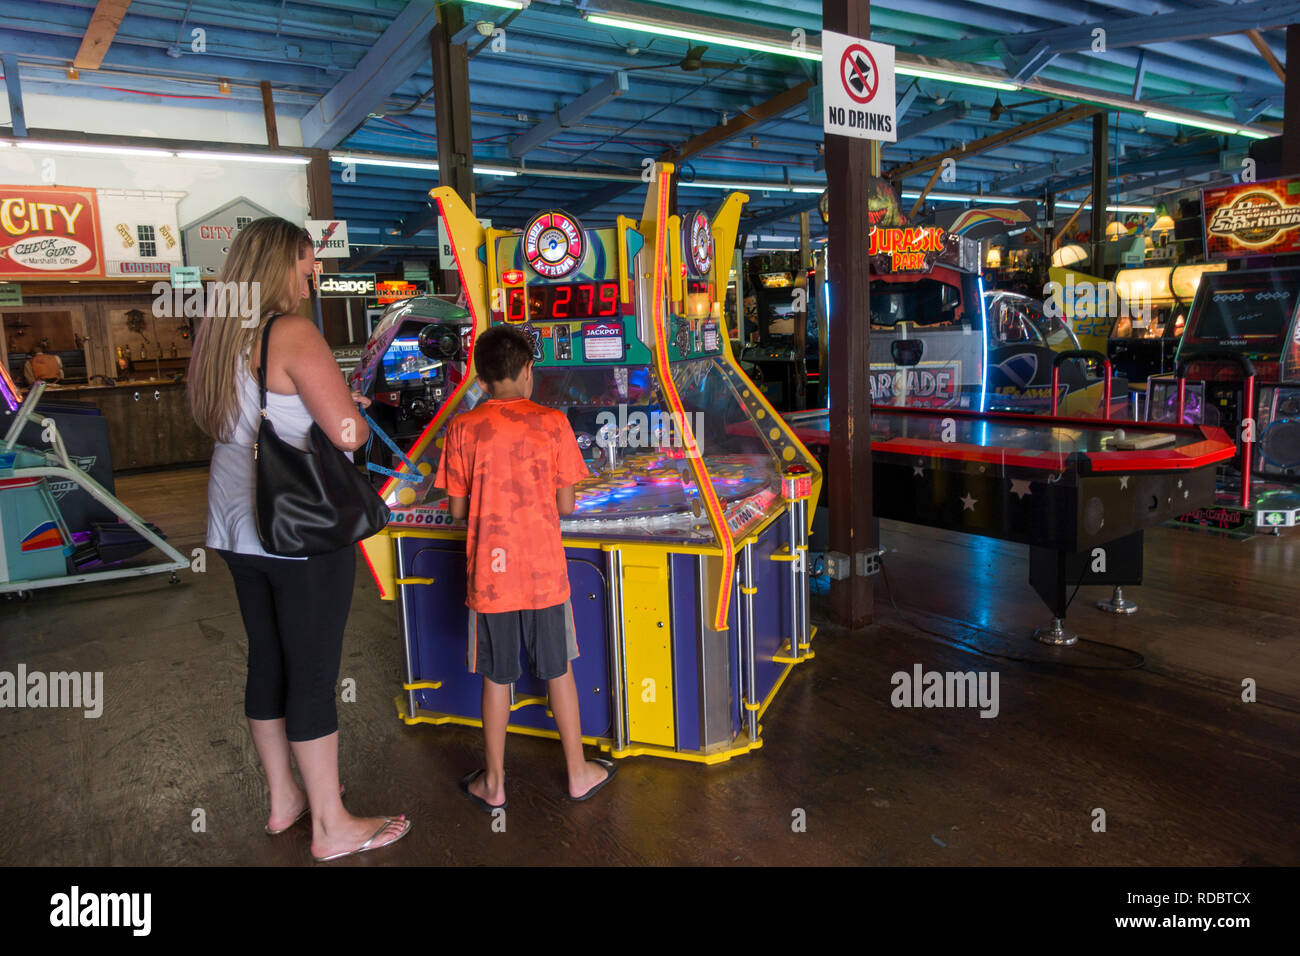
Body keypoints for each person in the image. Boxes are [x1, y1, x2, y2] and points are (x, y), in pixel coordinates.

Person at [187, 217, 410, 862]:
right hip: (298, 528)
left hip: (232, 522)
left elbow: (248, 413)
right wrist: (352, 414)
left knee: (269, 660)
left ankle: (284, 799)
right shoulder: (291, 331)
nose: (314, 274)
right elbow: (346, 434)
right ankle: (332, 825)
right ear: (282, 265)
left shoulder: (218, 331)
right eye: (308, 263)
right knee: (312, 671)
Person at [435, 324, 616, 811]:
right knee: (559, 671)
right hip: (543, 575)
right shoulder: (552, 422)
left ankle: (494, 784)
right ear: (528, 371)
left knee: (496, 677)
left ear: (480, 376)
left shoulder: (463, 427)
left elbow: (455, 511)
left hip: (491, 581)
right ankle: (578, 773)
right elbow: (568, 504)